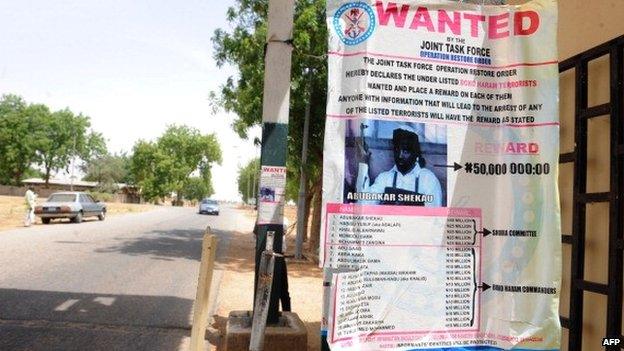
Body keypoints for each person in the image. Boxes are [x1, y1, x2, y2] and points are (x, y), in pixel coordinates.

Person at [355, 127, 443, 206]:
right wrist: (363, 164)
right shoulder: (385, 178)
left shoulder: (428, 180)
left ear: (415, 153)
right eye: (397, 150)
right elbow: (363, 204)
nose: (400, 156)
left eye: (405, 151)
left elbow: (434, 219)